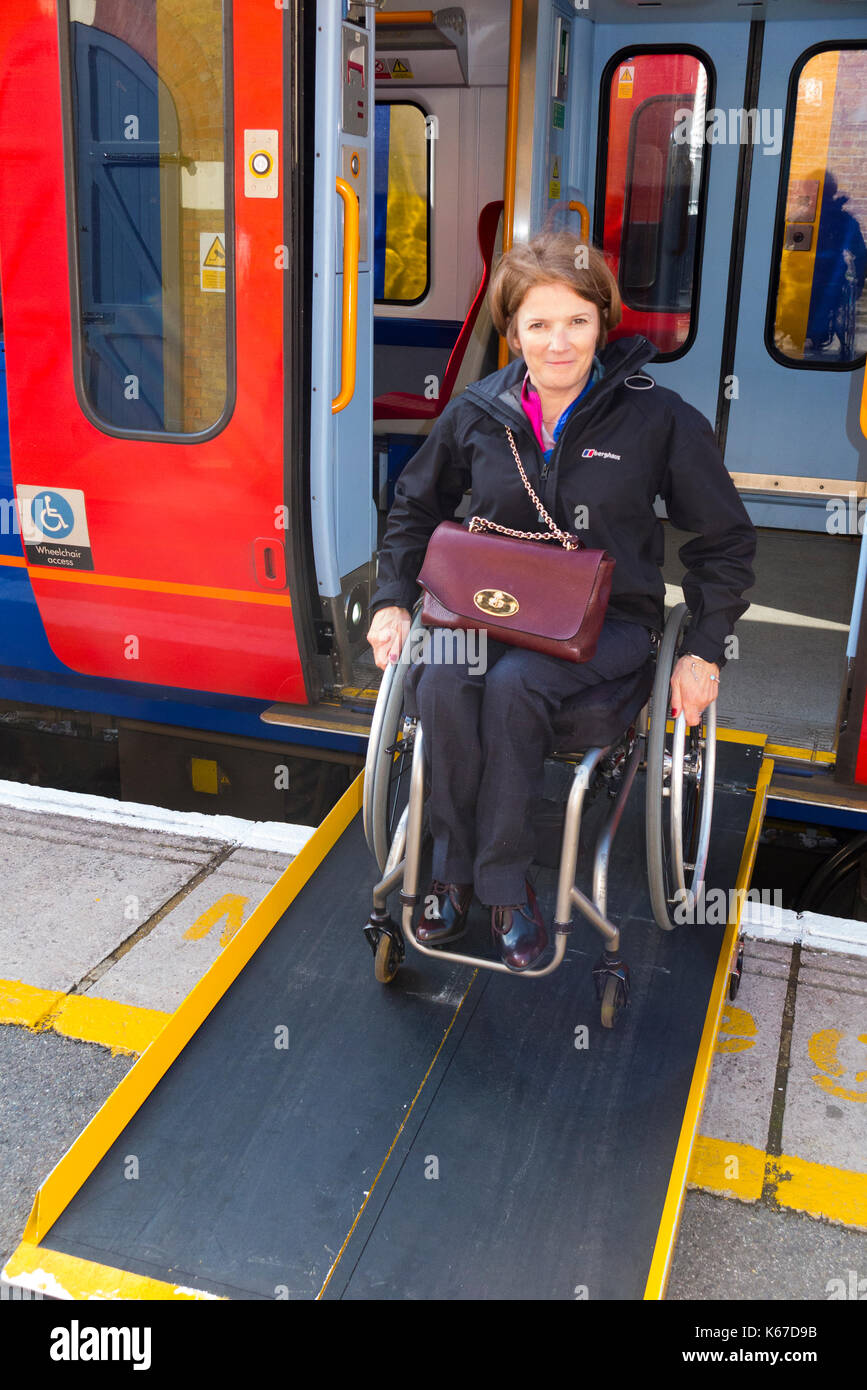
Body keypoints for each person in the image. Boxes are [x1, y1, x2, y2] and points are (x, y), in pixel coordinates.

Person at [366, 232, 756, 971]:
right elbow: (415, 508)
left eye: (575, 321)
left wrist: (702, 647)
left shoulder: (657, 418)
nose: (556, 343)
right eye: (537, 325)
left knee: (516, 685)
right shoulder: (477, 412)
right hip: (485, 611)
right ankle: (448, 869)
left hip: (608, 625)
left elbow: (724, 541)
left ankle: (504, 886)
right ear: (510, 332)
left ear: (602, 324)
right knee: (442, 675)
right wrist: (392, 599)